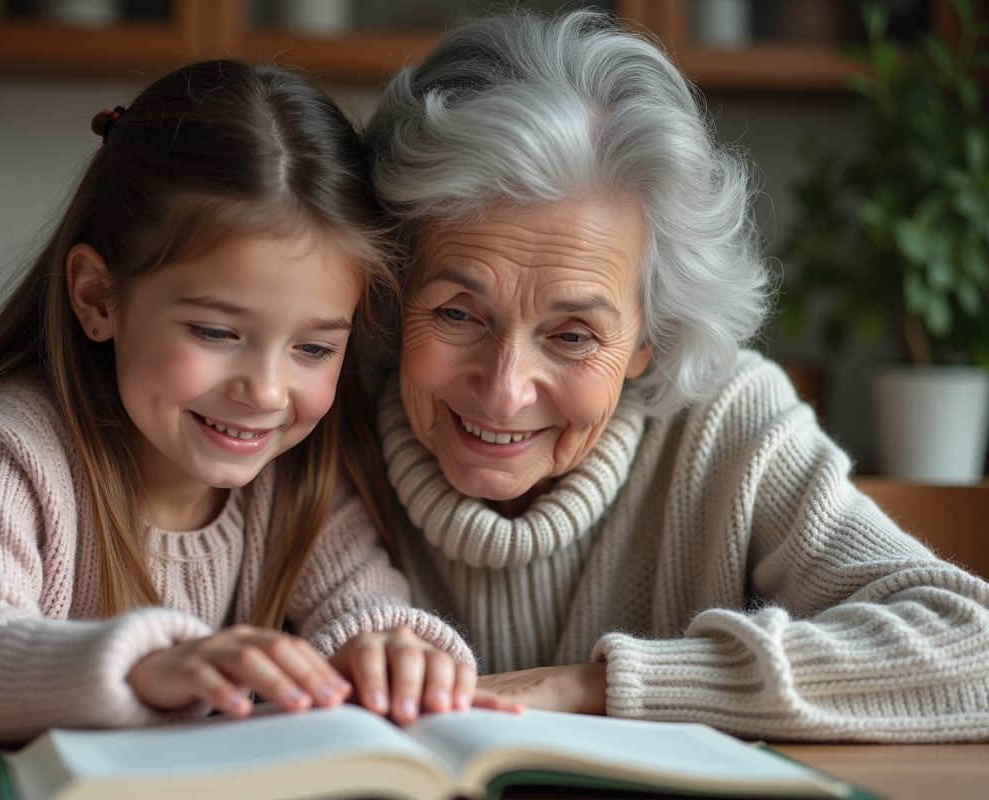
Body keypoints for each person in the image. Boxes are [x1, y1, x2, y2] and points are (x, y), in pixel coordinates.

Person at [363, 10, 989, 742]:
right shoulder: (309, 423)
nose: (505, 390)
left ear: (649, 339)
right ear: (395, 287)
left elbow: (971, 648)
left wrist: (590, 686)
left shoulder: (729, 428)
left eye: (572, 335)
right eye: (457, 314)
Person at [0, 60, 510, 743]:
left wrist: (393, 651)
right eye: (216, 333)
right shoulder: (11, 450)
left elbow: (364, 609)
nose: (265, 390)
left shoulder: (296, 483)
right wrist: (146, 666)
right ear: (98, 298)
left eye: (314, 348)